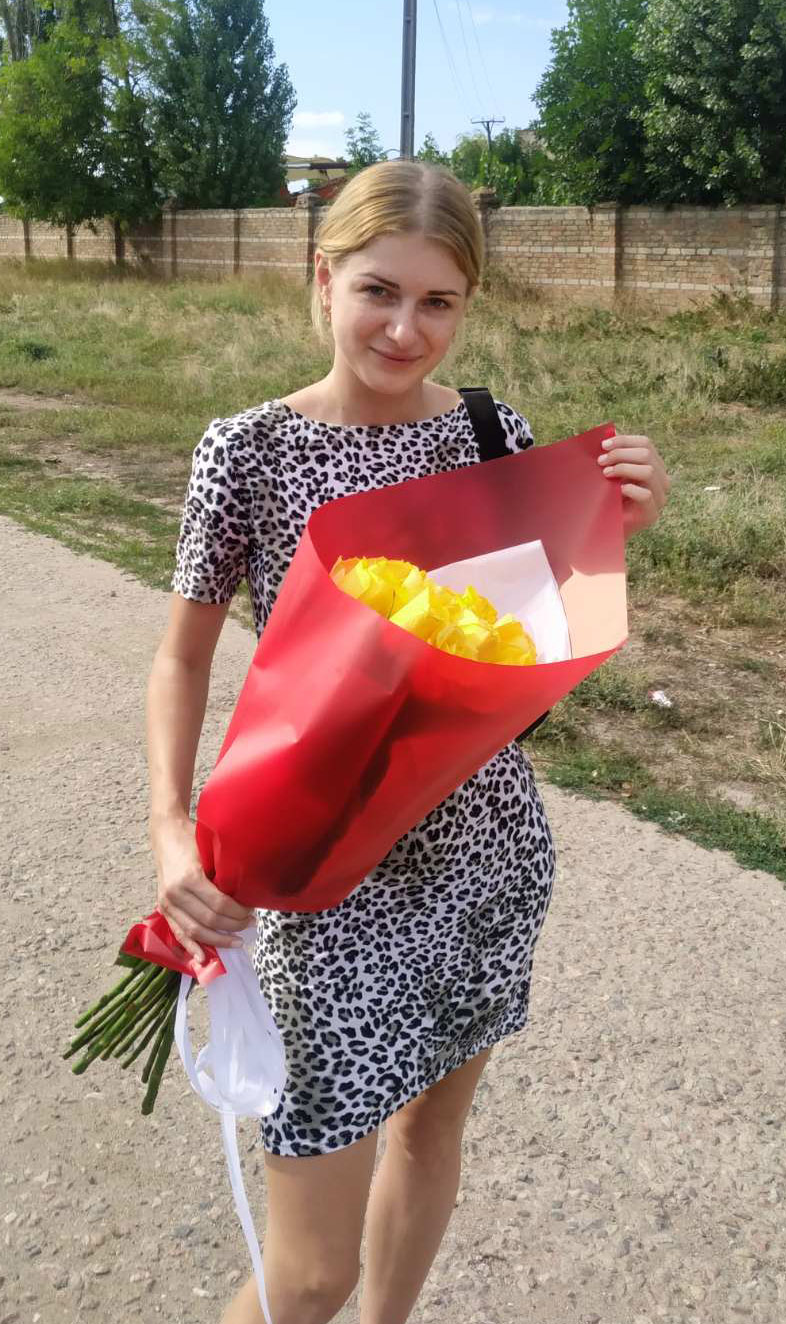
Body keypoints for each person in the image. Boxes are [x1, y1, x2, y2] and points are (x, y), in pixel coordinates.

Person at [146, 160, 671, 1324]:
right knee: (310, 1272)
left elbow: (537, 646)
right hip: (321, 881)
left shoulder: (493, 433)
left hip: (482, 863)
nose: (405, 328)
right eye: (379, 290)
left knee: (431, 1136)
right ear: (322, 277)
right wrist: (172, 834)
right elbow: (181, 660)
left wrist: (612, 532)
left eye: (440, 301)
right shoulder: (247, 451)